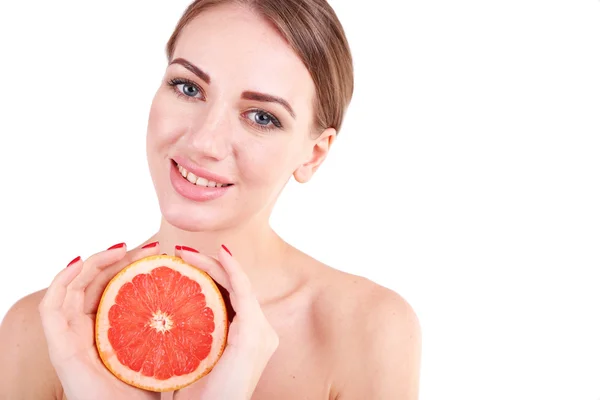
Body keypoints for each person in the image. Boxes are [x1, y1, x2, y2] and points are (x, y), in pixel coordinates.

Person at [0, 0, 421, 398]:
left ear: (313, 154)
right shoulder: (43, 331)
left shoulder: (367, 330)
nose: (204, 142)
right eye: (187, 87)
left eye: (262, 117)